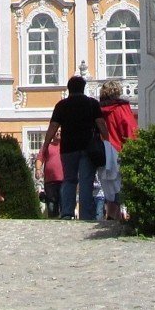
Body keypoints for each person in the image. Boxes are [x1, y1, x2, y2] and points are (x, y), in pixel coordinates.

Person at [42, 75, 104, 222]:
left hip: (68, 148)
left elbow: (53, 127)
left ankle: (67, 212)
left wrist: (45, 145)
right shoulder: (92, 103)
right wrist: (107, 140)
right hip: (88, 148)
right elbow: (101, 123)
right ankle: (85, 215)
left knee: (69, 180)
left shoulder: (62, 105)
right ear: (83, 88)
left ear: (69, 89)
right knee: (86, 181)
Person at [97, 80, 139, 221]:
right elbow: (130, 131)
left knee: (109, 190)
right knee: (125, 187)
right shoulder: (121, 109)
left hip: (102, 154)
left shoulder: (97, 111)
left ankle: (111, 218)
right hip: (119, 152)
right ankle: (129, 219)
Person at [39, 135, 64, 219]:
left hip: (64, 180)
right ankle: (53, 223)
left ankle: (65, 222)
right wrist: (38, 169)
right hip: (50, 181)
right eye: (56, 131)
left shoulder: (67, 145)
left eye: (60, 131)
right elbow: (40, 158)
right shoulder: (47, 146)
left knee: (64, 204)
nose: (58, 133)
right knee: (51, 205)